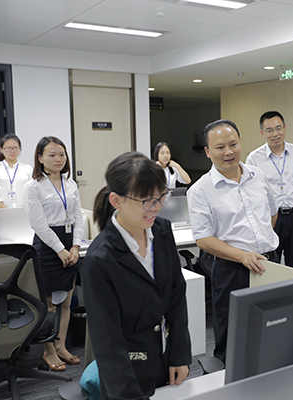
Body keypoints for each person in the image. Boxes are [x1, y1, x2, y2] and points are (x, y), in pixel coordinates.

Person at [82, 152, 191, 399]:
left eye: (161, 196)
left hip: (165, 361)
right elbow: (107, 341)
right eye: (147, 201)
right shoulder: (100, 259)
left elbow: (176, 294)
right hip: (125, 374)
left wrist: (180, 354)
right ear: (116, 201)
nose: (157, 207)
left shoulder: (162, 230)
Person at [188, 119, 279, 363]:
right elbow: (204, 239)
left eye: (233, 144)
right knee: (233, 333)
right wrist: (242, 255)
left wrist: (260, 244)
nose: (228, 152)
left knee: (274, 325)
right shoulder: (200, 190)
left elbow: (271, 214)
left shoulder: (257, 175)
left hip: (270, 263)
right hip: (232, 269)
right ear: (208, 152)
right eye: (220, 147)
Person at [23, 136, 83, 372]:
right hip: (48, 247)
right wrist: (60, 250)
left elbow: (78, 217)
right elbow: (38, 224)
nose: (58, 159)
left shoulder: (70, 183)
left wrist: (75, 247)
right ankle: (48, 351)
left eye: (62, 154)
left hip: (70, 243)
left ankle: (61, 346)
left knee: (66, 301)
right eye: (52, 155)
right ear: (40, 158)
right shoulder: (33, 186)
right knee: (48, 305)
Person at [245, 111, 293, 271]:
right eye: (269, 130)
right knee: (269, 267)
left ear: (284, 127)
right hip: (269, 219)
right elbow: (251, 194)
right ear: (262, 133)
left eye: (278, 128)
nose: (275, 134)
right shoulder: (254, 158)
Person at [0, 133, 33, 208]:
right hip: (1, 212)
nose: (12, 151)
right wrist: (7, 212)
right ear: (1, 149)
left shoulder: (28, 168)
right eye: (8, 148)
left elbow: (32, 193)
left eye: (15, 148)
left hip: (23, 212)